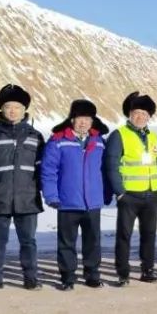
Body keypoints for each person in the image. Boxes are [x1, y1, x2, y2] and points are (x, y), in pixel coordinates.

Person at [0, 84, 45, 291]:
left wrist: (36, 187)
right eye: (8, 107)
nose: (12, 111)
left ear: (24, 110)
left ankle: (31, 278)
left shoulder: (35, 135)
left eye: (17, 107)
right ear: (1, 109)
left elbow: (43, 166)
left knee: (28, 241)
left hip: (27, 198)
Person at [41, 99, 110, 290]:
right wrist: (51, 196)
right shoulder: (58, 141)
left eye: (87, 119)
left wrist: (106, 193)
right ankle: (68, 276)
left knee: (93, 241)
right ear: (72, 119)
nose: (83, 122)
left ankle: (92, 274)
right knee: (66, 242)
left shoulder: (99, 142)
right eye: (79, 118)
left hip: (92, 202)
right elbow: (48, 171)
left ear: (92, 121)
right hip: (67, 201)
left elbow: (106, 170)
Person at [105, 91, 157, 286]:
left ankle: (148, 270)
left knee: (149, 235)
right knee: (124, 235)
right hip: (129, 196)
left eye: (145, 114)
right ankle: (123, 273)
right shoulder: (119, 135)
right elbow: (111, 165)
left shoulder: (153, 137)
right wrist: (120, 192)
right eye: (137, 113)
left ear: (149, 117)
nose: (141, 117)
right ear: (130, 114)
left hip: (151, 194)